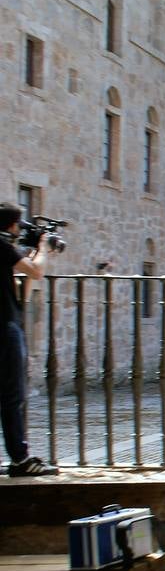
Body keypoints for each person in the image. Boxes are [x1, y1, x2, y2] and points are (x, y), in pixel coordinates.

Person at [0, 204, 57, 476]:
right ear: (12, 226)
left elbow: (20, 284)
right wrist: (43, 247)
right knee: (12, 395)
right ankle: (20, 459)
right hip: (5, 328)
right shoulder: (2, 247)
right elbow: (35, 272)